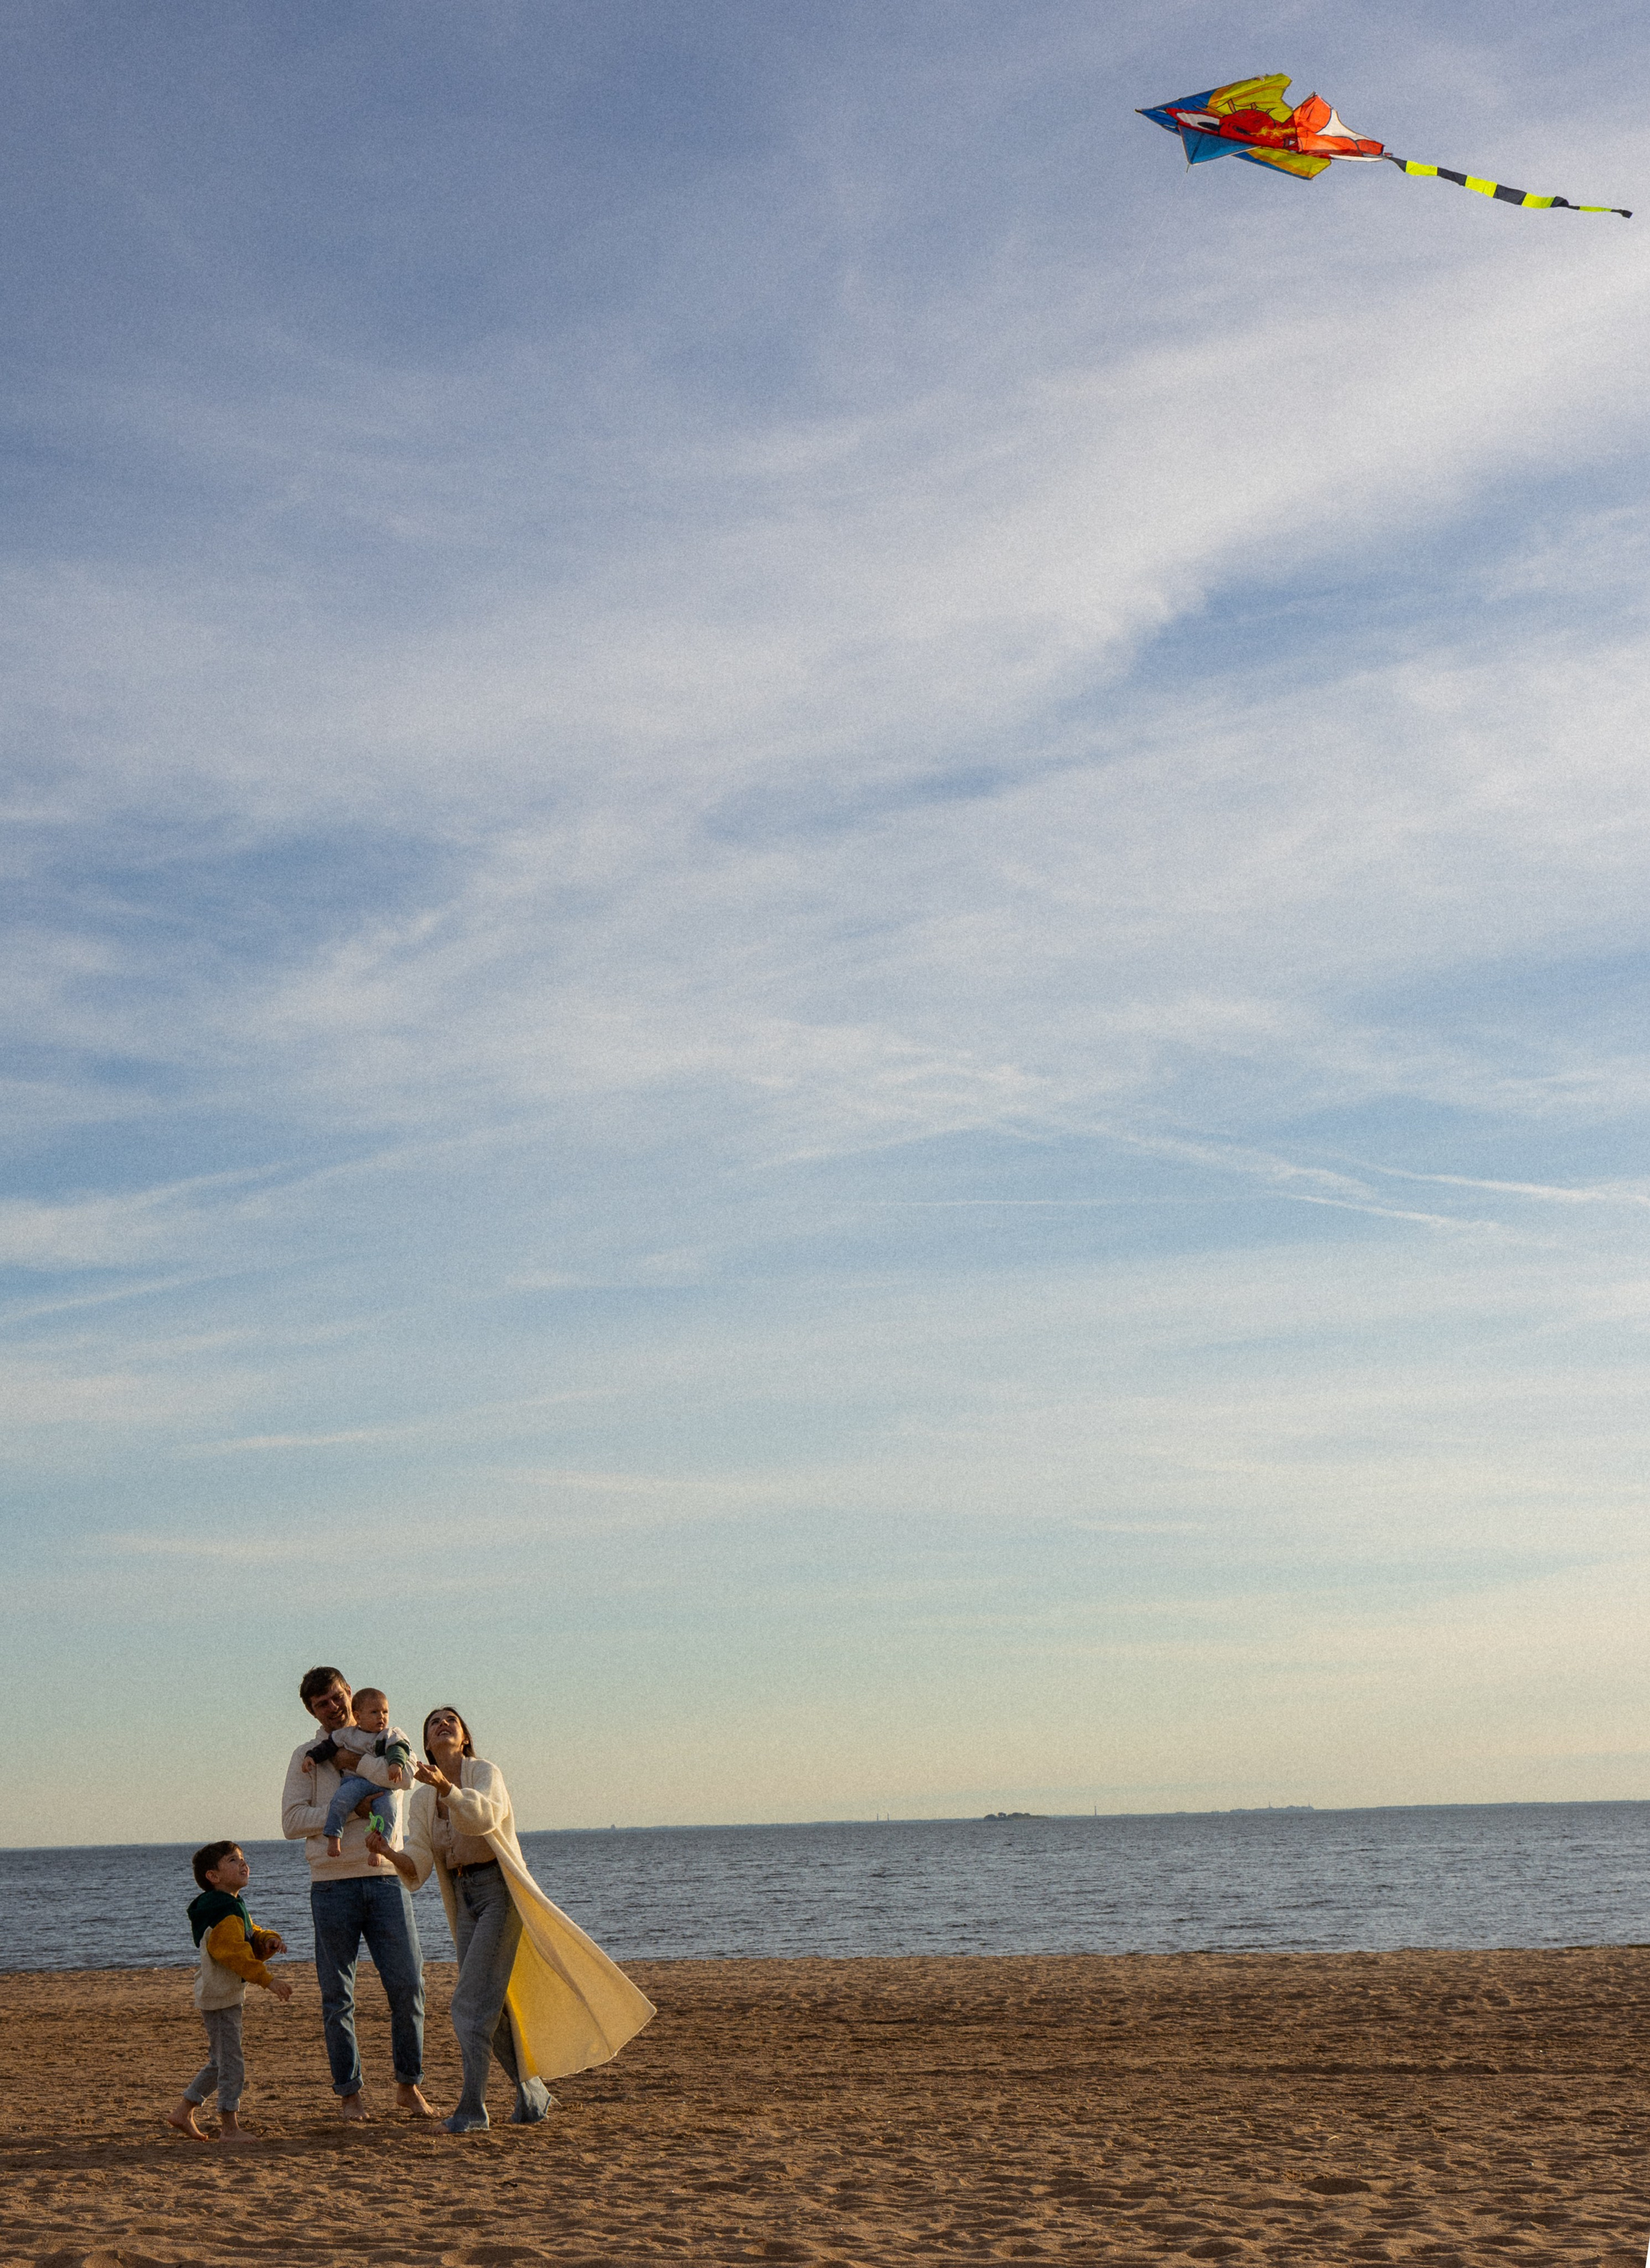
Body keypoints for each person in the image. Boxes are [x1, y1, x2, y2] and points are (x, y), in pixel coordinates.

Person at [385, 1705, 654, 2133]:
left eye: (451, 1720)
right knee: (492, 2010)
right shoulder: (421, 1799)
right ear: (427, 1745)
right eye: (434, 1723)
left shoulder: (485, 1773)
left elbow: (484, 1817)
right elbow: (419, 1858)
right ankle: (532, 2095)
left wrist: (448, 1789)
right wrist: (388, 1853)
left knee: (468, 2005)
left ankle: (472, 2111)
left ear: (464, 1738)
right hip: (464, 1898)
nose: (442, 1724)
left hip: (499, 1893)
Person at [280, 1665, 434, 2121]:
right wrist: (350, 1809)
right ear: (312, 1711)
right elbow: (291, 1822)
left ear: (349, 1692)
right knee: (337, 1997)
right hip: (331, 1884)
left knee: (408, 1985)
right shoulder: (306, 1756)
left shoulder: (389, 1735)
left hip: (386, 1877)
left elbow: (404, 1778)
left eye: (336, 1696)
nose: (333, 1707)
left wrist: (354, 1763)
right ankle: (350, 2096)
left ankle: (408, 2087)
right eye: (321, 1704)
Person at [166, 1841, 293, 2144]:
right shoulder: (222, 1910)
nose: (243, 1864)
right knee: (232, 2063)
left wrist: (267, 1939)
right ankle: (229, 2128)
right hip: (220, 1996)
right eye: (233, 1860)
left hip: (222, 1994)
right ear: (213, 1876)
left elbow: (249, 1932)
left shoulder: (231, 1905)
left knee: (220, 2061)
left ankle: (183, 2112)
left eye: (243, 1858)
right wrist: (268, 1980)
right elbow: (235, 1953)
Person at [304, 1685, 414, 1857]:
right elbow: (328, 1746)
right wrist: (311, 1756)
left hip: (382, 1788)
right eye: (374, 1712)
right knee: (341, 1800)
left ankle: (379, 1848)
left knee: (389, 1811)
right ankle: (334, 1836)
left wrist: (396, 1764)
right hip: (354, 1782)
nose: (381, 1717)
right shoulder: (347, 1735)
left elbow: (398, 1749)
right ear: (358, 1716)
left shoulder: (390, 1735)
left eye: (385, 1712)